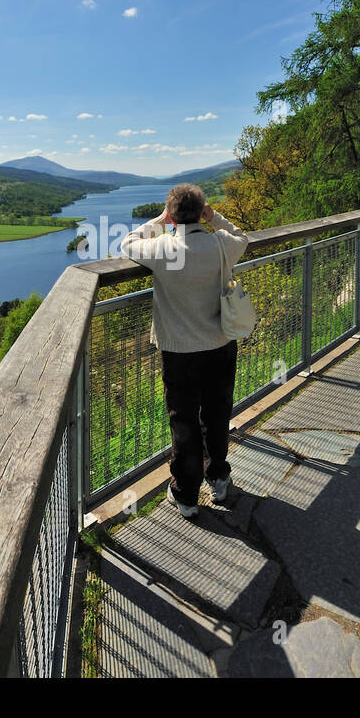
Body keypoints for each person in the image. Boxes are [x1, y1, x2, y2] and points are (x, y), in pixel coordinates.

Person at [121, 184, 250, 518]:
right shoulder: (221, 244)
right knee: (217, 414)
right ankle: (218, 479)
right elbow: (242, 237)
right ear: (202, 210)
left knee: (184, 422)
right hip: (221, 345)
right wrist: (215, 217)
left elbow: (127, 243)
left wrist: (160, 221)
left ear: (173, 215)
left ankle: (186, 495)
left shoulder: (164, 247)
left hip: (180, 353)